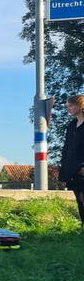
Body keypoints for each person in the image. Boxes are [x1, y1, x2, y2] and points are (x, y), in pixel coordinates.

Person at [58, 94, 84, 228]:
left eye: (70, 106)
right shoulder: (72, 125)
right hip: (72, 168)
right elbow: (67, 147)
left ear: (79, 106)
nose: (68, 109)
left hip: (82, 167)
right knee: (79, 200)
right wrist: (64, 170)